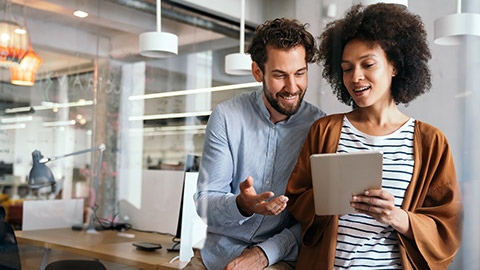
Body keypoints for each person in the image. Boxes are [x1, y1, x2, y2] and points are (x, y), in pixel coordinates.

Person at [285, 4, 463, 270]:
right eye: (346, 68)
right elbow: (296, 200)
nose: (355, 77)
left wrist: (396, 216)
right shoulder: (324, 130)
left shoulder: (431, 141)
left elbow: (448, 225)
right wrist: (329, 196)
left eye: (368, 64)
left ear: (394, 66)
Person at [192, 18, 326, 270]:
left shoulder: (319, 126)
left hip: (279, 257)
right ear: (257, 72)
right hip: (219, 255)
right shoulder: (226, 117)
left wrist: (264, 254)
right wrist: (242, 205)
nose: (292, 87)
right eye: (279, 75)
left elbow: (317, 219)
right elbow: (204, 202)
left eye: (300, 73)